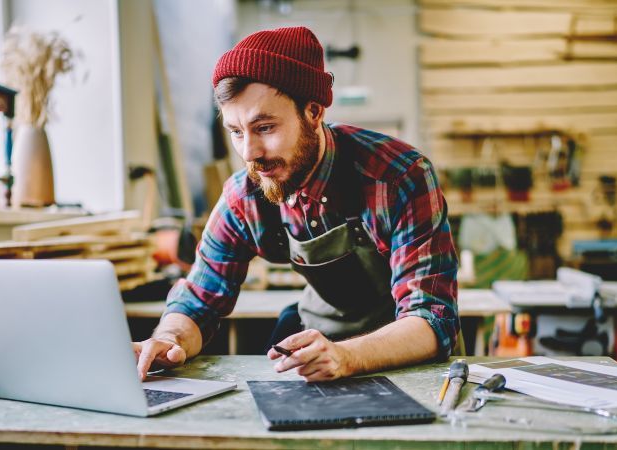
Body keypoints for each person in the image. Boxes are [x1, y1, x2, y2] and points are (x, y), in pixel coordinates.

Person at [134, 26, 459, 382]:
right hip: (310, 349)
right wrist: (169, 339)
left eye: (265, 128)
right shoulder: (245, 194)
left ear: (314, 111)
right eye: (236, 131)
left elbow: (433, 320)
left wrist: (346, 356)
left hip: (405, 361)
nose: (249, 153)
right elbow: (197, 301)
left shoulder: (398, 177)